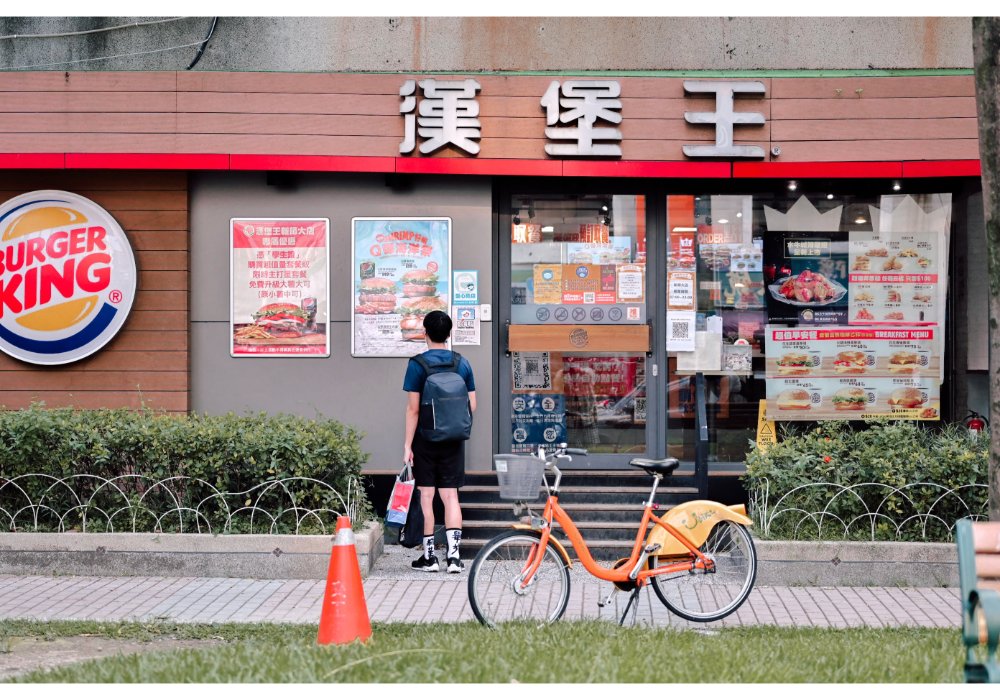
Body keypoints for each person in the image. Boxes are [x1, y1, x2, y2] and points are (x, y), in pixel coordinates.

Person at [402, 310, 476, 573]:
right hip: (453, 440)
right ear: (449, 333)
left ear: (425, 333)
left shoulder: (417, 364)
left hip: (425, 439)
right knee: (451, 496)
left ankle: (429, 558)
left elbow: (413, 409)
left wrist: (407, 446)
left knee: (427, 496)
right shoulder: (461, 363)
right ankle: (454, 558)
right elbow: (472, 405)